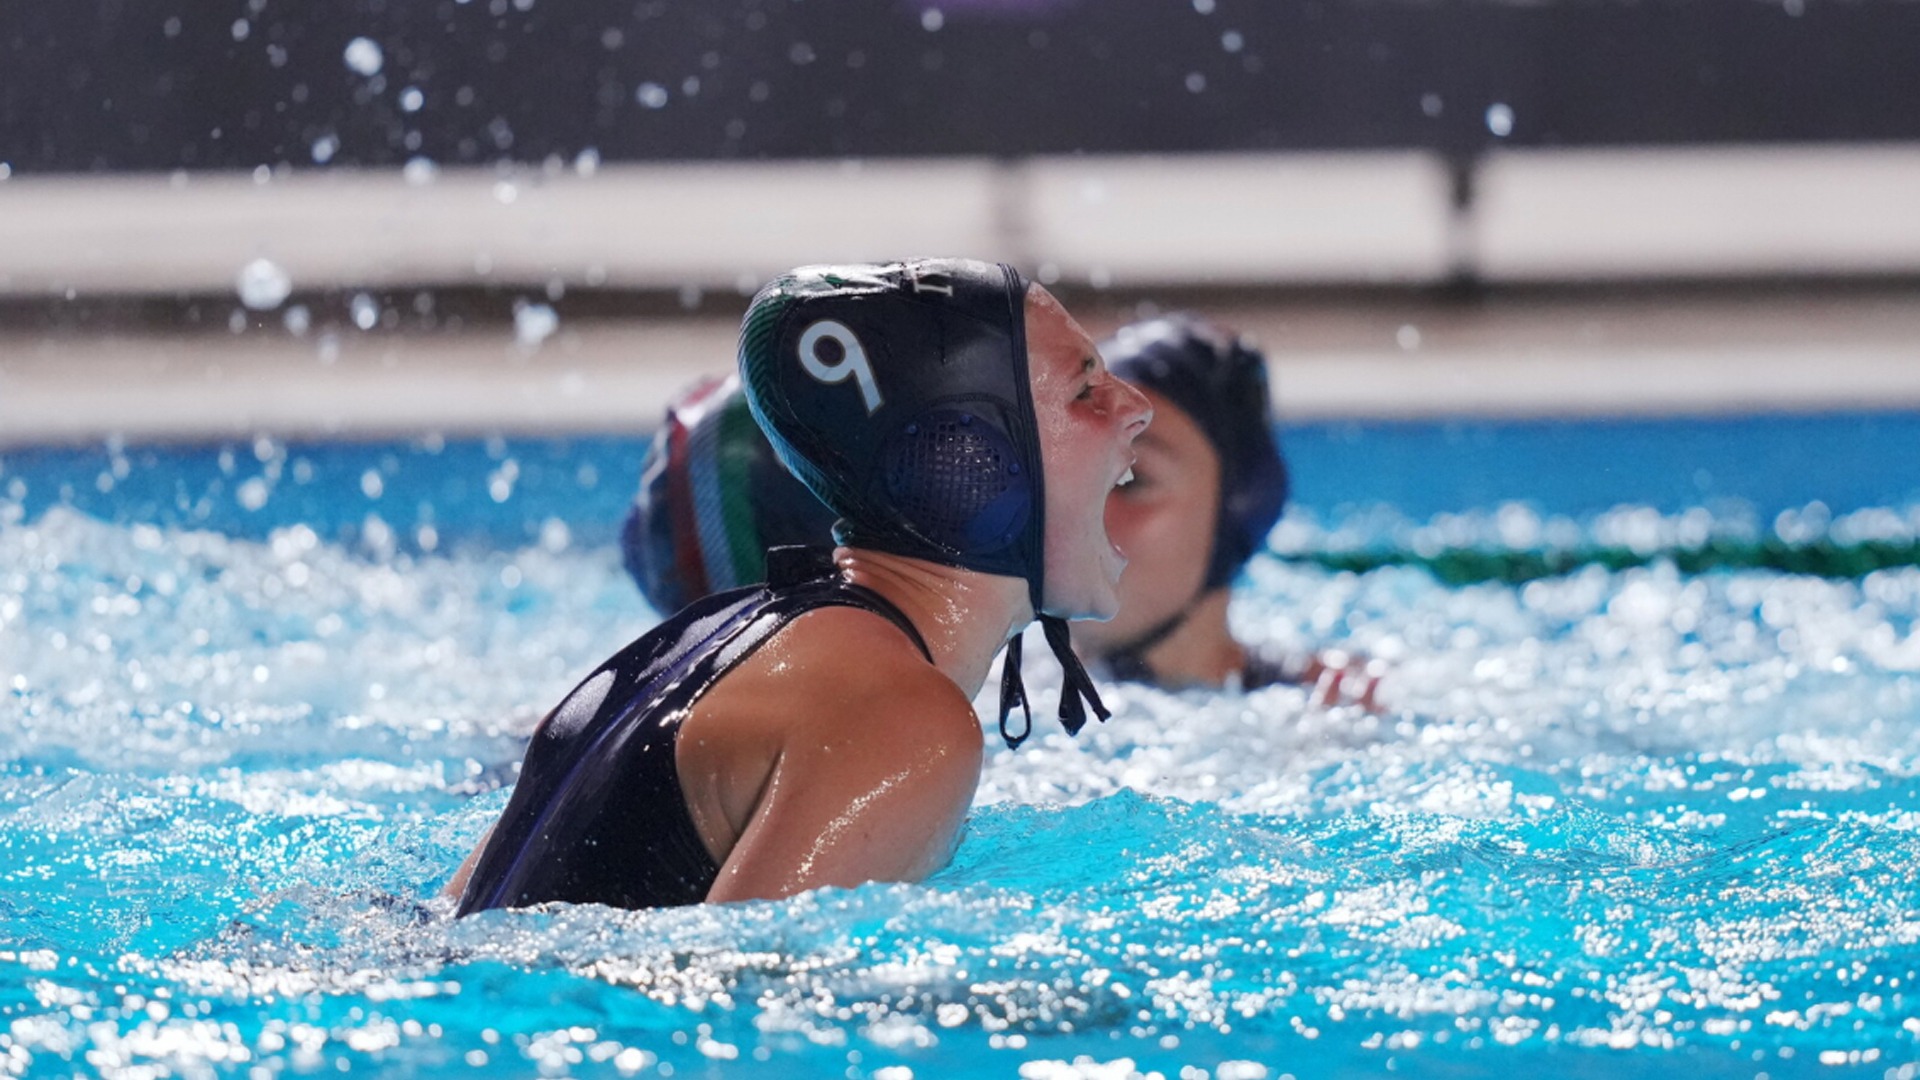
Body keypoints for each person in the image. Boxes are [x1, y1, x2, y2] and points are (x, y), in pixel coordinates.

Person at [447, 259, 1152, 913]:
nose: (1135, 406)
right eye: (1085, 390)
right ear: (965, 460)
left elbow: (451, 925)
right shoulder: (902, 719)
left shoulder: (706, 635)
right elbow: (734, 1006)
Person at [620, 315, 1379, 704]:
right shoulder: (975, 682)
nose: (1068, 503)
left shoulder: (1330, 714)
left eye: (1134, 480)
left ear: (1237, 517)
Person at [1071, 314, 1380, 703]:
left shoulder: (1319, 712)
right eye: (1074, 469)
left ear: (1237, 513)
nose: (1074, 510)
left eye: (1131, 479)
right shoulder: (989, 687)